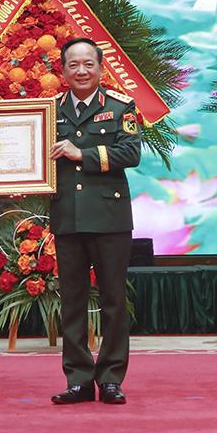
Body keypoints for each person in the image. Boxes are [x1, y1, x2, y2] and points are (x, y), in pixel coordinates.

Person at [48, 37, 142, 405]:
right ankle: (78, 380)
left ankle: (112, 379)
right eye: (74, 64)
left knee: (114, 300)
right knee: (71, 301)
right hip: (67, 216)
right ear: (63, 70)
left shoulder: (121, 106)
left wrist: (81, 154)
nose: (82, 71)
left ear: (101, 68)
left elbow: (130, 153)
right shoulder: (49, 110)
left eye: (89, 64)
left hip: (109, 218)